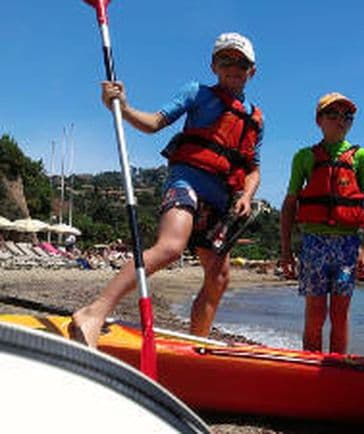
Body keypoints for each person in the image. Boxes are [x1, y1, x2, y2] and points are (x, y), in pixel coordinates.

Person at [72, 32, 263, 347]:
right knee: (170, 248)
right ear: (214, 65)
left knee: (219, 277)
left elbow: (253, 169)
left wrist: (247, 195)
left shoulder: (256, 118)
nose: (233, 67)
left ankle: (195, 345)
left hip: (220, 203)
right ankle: (94, 312)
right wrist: (122, 106)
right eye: (225, 60)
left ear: (251, 70)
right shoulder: (197, 93)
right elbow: (153, 123)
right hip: (186, 182)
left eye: (240, 62)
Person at [279, 92, 364, 354]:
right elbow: (290, 204)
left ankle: (336, 367)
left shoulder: (361, 157)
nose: (340, 120)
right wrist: (286, 251)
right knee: (315, 313)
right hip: (314, 243)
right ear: (319, 120)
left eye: (347, 116)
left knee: (340, 314)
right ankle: (311, 364)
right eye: (332, 114)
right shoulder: (304, 157)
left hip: (347, 244)